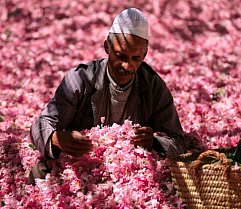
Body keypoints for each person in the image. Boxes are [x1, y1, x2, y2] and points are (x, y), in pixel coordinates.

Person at [28, 8, 186, 185]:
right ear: (107, 47)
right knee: (40, 174)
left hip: (130, 179)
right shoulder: (81, 79)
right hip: (81, 171)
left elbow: (178, 141)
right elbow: (41, 124)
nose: (127, 66)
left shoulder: (154, 87)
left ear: (145, 55)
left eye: (135, 58)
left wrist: (155, 143)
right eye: (121, 56)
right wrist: (56, 138)